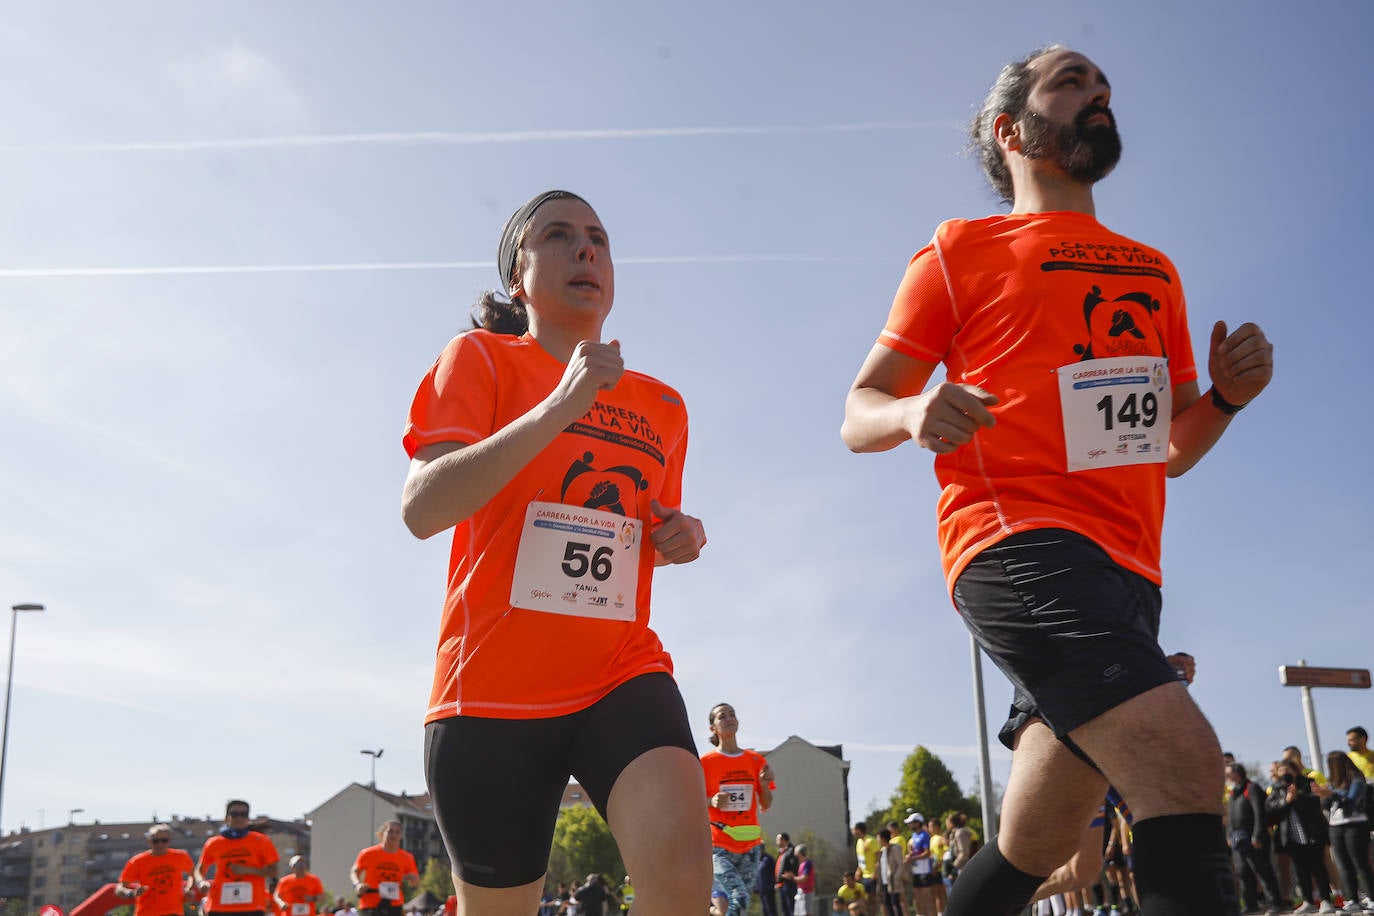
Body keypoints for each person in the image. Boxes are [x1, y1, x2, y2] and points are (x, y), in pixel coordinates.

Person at [841, 43, 1273, 916]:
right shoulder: (959, 252)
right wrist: (914, 411)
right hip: (1016, 543)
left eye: (1104, 85)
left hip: (1130, 573)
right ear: (1011, 130)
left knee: (1037, 841)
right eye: (1071, 83)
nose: (1098, 94)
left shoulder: (1154, 271)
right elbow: (860, 410)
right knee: (1183, 765)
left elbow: (1173, 447)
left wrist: (1226, 398)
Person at [401, 190, 710, 916]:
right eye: (560, 235)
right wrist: (559, 407)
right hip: (489, 693)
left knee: (683, 886)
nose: (586, 249)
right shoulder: (479, 359)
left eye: (599, 238)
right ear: (518, 274)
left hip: (618, 672)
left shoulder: (661, 406)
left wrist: (680, 537)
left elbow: (630, 534)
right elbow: (423, 509)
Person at [701, 702, 775, 916]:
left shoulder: (755, 760)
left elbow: (766, 804)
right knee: (740, 897)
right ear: (713, 728)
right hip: (719, 845)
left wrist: (762, 785)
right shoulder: (705, 763)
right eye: (722, 716)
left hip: (750, 846)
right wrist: (711, 801)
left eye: (732, 714)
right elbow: (691, 801)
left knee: (739, 907)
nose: (729, 718)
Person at [1267, 759, 1335, 913]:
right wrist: (1286, 801)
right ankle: (1307, 901)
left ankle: (1325, 900)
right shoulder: (1276, 788)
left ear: (1295, 770)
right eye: (1281, 771)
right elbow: (1270, 808)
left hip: (1311, 833)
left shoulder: (1307, 782)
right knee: (1300, 869)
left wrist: (1297, 797)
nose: (1284, 773)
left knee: (1317, 867)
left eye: (1287, 770)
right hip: (1291, 835)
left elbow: (1316, 801)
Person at [195, 801, 280, 916]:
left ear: (248, 818)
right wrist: (201, 882)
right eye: (234, 814)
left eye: (244, 814)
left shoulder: (261, 841)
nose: (239, 817)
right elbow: (199, 869)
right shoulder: (214, 843)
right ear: (226, 817)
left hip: (252, 906)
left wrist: (247, 870)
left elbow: (273, 871)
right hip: (219, 906)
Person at [1315, 752, 1374, 912]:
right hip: (1336, 826)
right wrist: (1323, 796)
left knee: (1360, 863)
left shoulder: (1357, 780)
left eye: (1330, 763)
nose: (1328, 767)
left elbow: (1352, 800)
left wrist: (1332, 794)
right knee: (1344, 864)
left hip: (1355, 824)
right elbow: (1328, 805)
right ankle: (1352, 899)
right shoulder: (1333, 782)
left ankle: (1371, 898)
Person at [1225, 764, 1283, 915]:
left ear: (1238, 773)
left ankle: (1275, 903)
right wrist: (1229, 835)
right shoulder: (1233, 792)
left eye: (1229, 773)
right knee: (1243, 873)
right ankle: (1250, 904)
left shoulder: (1252, 788)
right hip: (1238, 839)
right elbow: (1230, 816)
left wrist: (1257, 835)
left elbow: (1259, 813)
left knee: (1263, 871)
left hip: (1254, 838)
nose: (1227, 777)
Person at [117, 824, 196, 916]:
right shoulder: (137, 861)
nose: (160, 844)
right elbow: (120, 888)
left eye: (164, 840)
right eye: (155, 841)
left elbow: (193, 874)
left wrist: (189, 888)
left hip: (173, 912)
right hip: (146, 913)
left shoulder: (180, 856)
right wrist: (131, 893)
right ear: (149, 841)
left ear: (169, 840)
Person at [351, 821, 420, 916]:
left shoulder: (407, 857)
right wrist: (357, 884)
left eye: (397, 832)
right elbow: (354, 871)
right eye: (390, 831)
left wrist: (412, 878)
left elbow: (415, 882)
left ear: (401, 836)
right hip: (371, 902)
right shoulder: (368, 853)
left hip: (395, 903)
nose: (394, 835)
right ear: (382, 834)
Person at [903, 814, 938, 916]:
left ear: (917, 823)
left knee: (927, 899)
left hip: (925, 871)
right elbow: (916, 851)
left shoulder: (925, 835)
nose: (909, 825)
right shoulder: (914, 836)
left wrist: (913, 858)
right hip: (916, 871)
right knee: (917, 899)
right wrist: (909, 856)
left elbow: (927, 853)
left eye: (911, 823)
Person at [876, 830, 905, 916]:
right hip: (885, 882)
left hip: (893, 881)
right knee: (887, 903)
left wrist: (896, 877)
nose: (877, 840)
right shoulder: (882, 850)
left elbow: (900, 864)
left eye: (878, 838)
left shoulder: (895, 848)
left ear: (883, 838)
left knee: (895, 903)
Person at [853, 824, 881, 901]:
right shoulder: (859, 842)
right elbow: (861, 858)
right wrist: (858, 870)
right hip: (864, 876)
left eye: (854, 829)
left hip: (872, 875)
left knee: (874, 899)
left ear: (858, 830)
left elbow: (878, 857)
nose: (853, 832)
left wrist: (875, 872)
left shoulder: (871, 840)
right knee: (867, 900)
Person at [777, 834, 801, 916]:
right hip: (782, 884)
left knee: (791, 907)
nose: (777, 842)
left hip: (788, 884)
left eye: (778, 839)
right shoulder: (782, 851)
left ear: (783, 840)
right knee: (785, 909)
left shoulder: (791, 851)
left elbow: (794, 865)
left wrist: (790, 874)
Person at [793, 844, 815, 916]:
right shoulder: (801, 863)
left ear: (799, 853)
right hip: (801, 891)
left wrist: (792, 877)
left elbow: (803, 879)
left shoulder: (807, 863)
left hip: (806, 892)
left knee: (806, 913)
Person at [758, 846, 778, 916]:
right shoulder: (759, 860)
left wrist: (774, 884)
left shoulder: (768, 859)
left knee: (771, 910)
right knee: (765, 910)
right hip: (762, 890)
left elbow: (775, 872)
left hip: (769, 889)